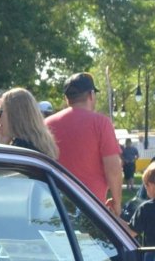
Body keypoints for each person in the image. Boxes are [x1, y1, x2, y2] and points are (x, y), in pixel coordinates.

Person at [45, 72, 123, 213]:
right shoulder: (101, 123)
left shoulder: (47, 124)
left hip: (54, 203)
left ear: (67, 98)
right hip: (91, 207)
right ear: (91, 95)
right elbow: (113, 168)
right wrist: (117, 202)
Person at [0, 88, 58, 158]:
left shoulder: (20, 148)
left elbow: (5, 167)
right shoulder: (42, 143)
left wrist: (3, 147)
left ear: (13, 116)